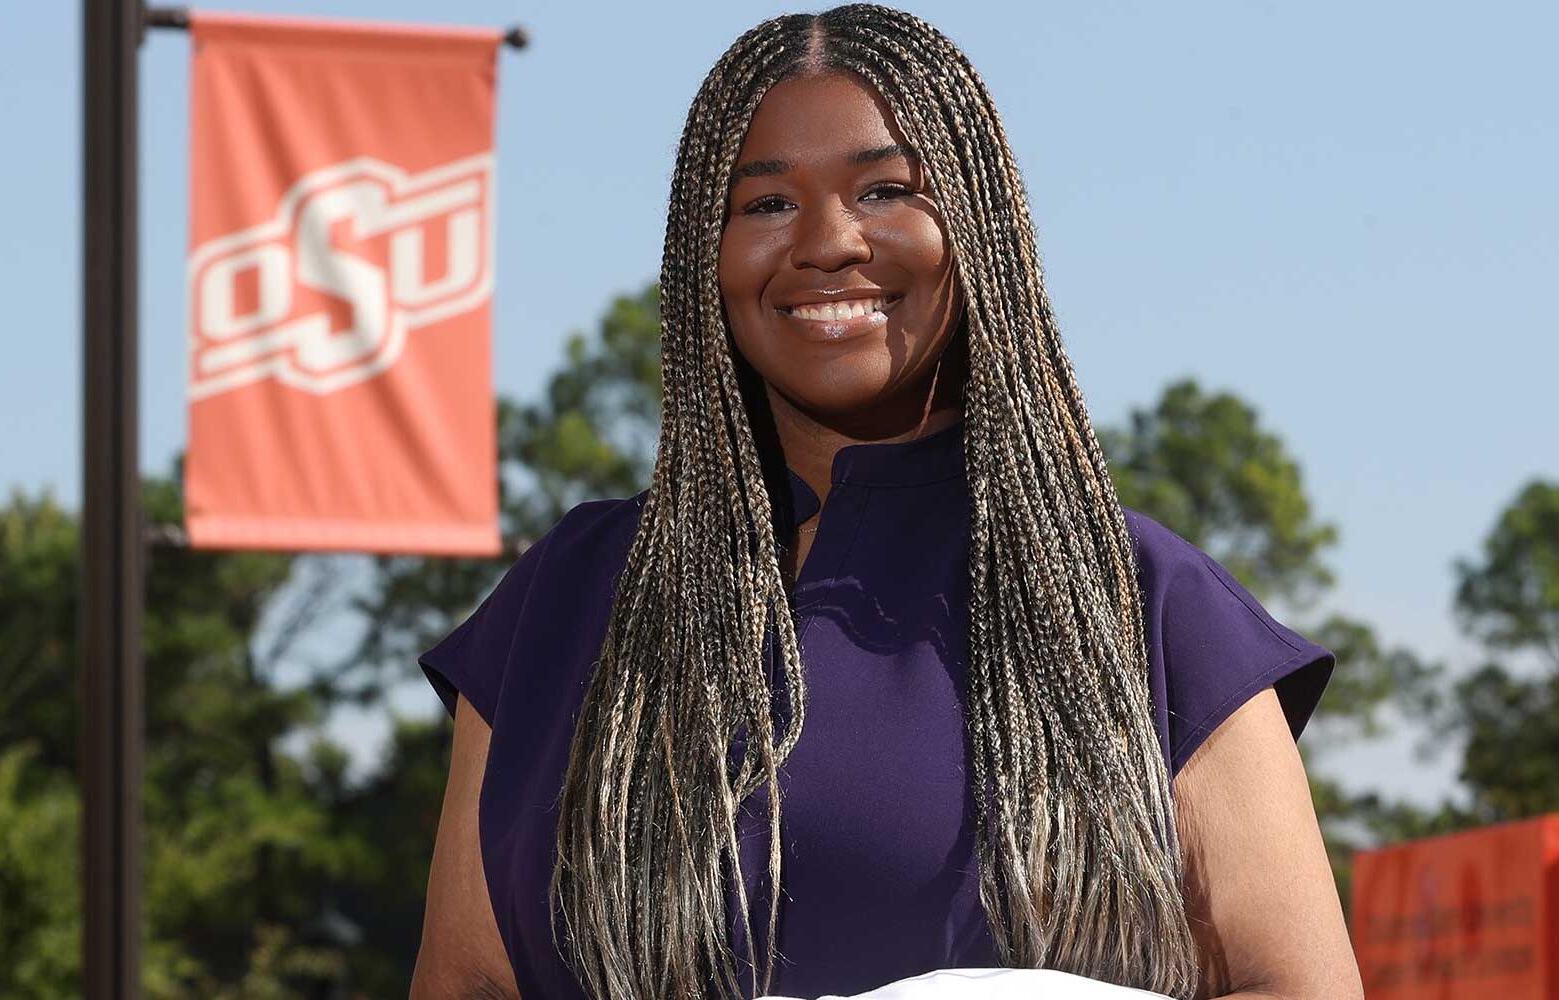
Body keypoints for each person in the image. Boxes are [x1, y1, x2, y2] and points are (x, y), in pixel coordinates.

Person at [411, 5, 1361, 999]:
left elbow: (1299, 984)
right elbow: (464, 982)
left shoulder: (1147, 603)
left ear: (978, 229)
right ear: (707, 255)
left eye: (886, 189)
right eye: (766, 204)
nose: (826, 241)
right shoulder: (564, 597)